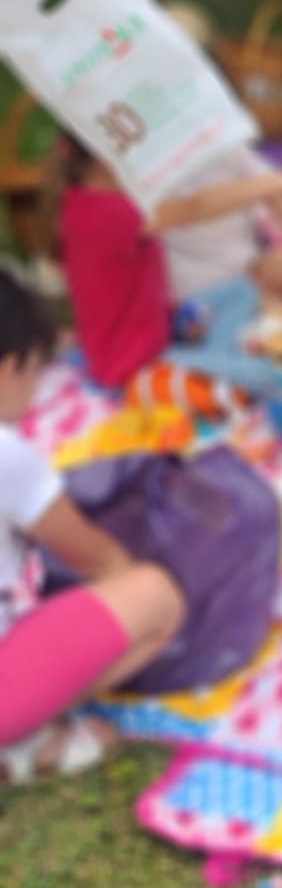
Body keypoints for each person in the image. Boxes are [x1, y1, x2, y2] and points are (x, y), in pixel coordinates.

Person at [0, 270, 186, 785]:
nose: (35, 394)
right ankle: (26, 740)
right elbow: (96, 557)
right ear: (10, 368)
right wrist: (125, 588)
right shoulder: (8, 454)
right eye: (35, 375)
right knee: (156, 595)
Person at [53, 136, 282, 393]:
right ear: (106, 159)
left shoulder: (81, 202)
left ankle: (215, 362)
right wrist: (277, 183)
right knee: (264, 374)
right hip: (134, 366)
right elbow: (196, 207)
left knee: (242, 291)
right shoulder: (114, 212)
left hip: (156, 334)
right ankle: (219, 365)